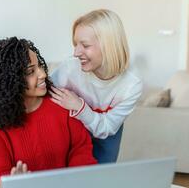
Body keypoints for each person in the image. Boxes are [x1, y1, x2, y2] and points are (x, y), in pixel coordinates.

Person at [0, 37, 97, 188]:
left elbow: (80, 148)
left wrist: (75, 181)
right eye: (31, 71)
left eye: (40, 66)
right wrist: (11, 184)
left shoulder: (63, 101)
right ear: (8, 81)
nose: (42, 74)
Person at [50, 9, 143, 163]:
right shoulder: (70, 68)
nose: (76, 53)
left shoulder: (132, 84)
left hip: (106, 132)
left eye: (85, 45)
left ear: (109, 46)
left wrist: (80, 106)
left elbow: (106, 128)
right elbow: (42, 97)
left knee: (102, 178)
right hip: (73, 130)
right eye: (75, 44)